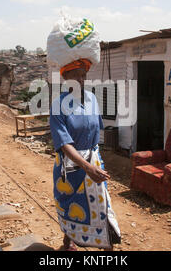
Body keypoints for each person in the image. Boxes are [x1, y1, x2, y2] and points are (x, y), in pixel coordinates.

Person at [49, 59, 121, 252]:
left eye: (83, 75)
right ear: (65, 78)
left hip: (93, 161)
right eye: (76, 75)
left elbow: (95, 132)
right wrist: (87, 167)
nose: (81, 79)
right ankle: (69, 242)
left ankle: (107, 248)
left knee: (103, 206)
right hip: (71, 167)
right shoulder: (58, 105)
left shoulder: (91, 99)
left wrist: (95, 163)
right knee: (71, 206)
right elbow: (64, 144)